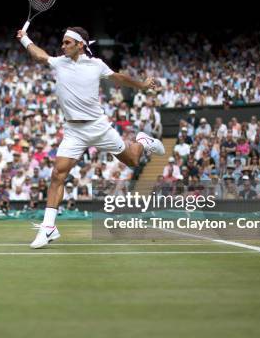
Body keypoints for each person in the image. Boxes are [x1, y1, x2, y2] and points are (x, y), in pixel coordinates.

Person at [17, 26, 165, 248]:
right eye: (63, 42)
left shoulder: (96, 65)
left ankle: (143, 141)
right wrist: (24, 38)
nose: (62, 46)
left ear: (80, 44)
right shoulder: (59, 62)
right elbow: (39, 55)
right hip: (73, 131)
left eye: (67, 42)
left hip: (98, 128)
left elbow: (119, 78)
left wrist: (142, 85)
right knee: (58, 174)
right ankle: (49, 228)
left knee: (133, 161)